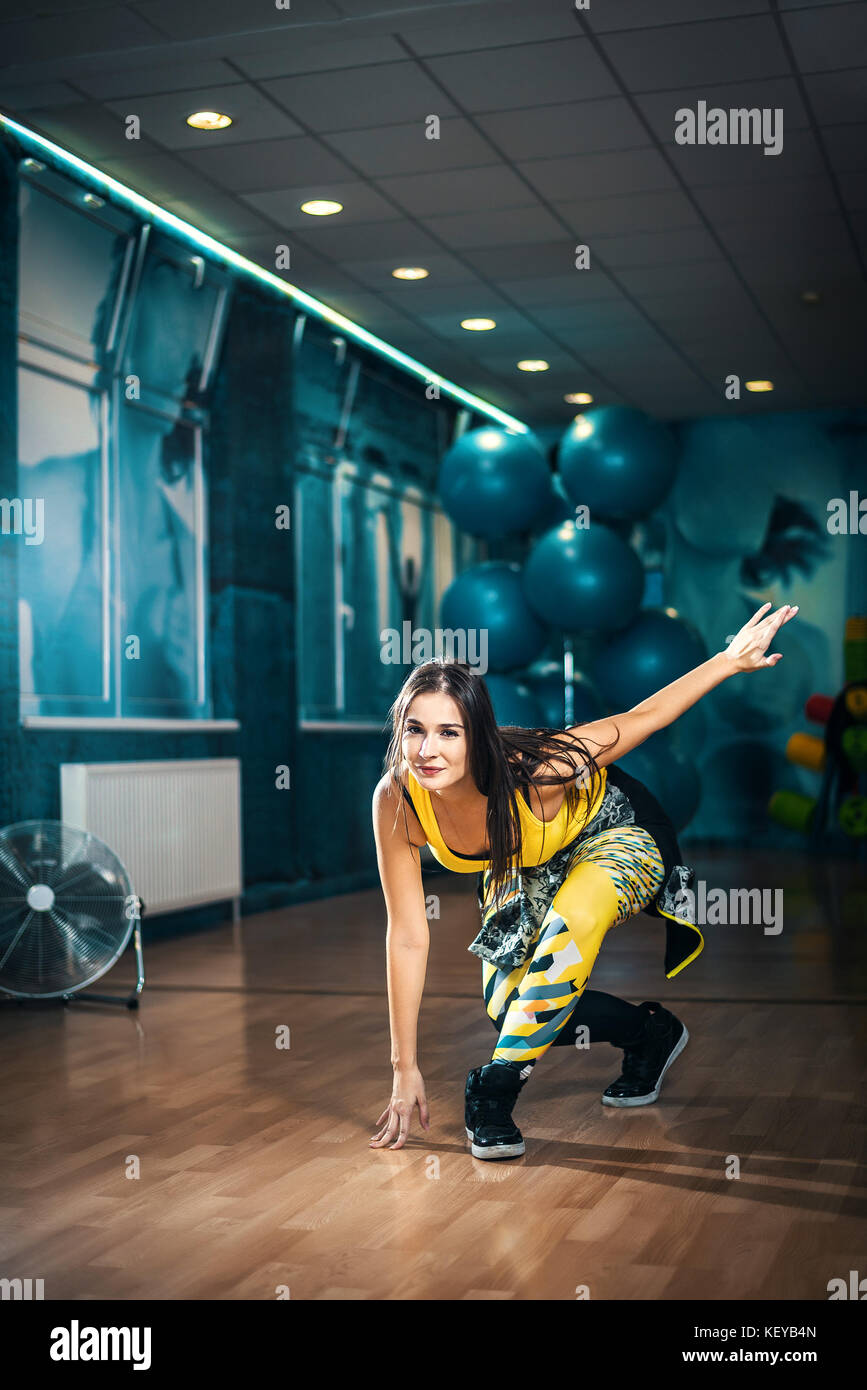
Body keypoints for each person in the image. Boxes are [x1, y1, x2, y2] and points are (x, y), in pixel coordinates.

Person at [370, 602, 799, 1160]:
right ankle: (649, 1035)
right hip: (523, 862)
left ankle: (493, 1091)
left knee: (571, 921)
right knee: (510, 1007)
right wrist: (404, 1067)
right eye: (415, 730)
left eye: (449, 732)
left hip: (615, 832)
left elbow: (644, 718)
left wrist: (727, 660)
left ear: (477, 735)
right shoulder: (397, 799)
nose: (428, 751)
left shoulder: (541, 768)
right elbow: (406, 934)